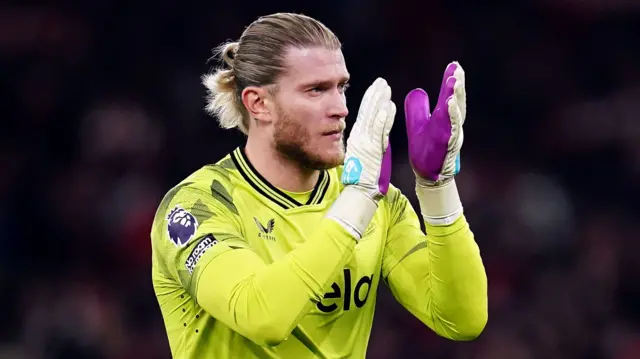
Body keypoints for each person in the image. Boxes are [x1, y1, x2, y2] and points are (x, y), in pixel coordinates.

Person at [150, 12, 487, 359]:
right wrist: (356, 202)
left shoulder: (375, 200)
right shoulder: (197, 206)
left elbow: (462, 319)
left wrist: (438, 189)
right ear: (259, 104)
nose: (340, 108)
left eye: (341, 87)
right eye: (316, 90)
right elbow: (261, 316)